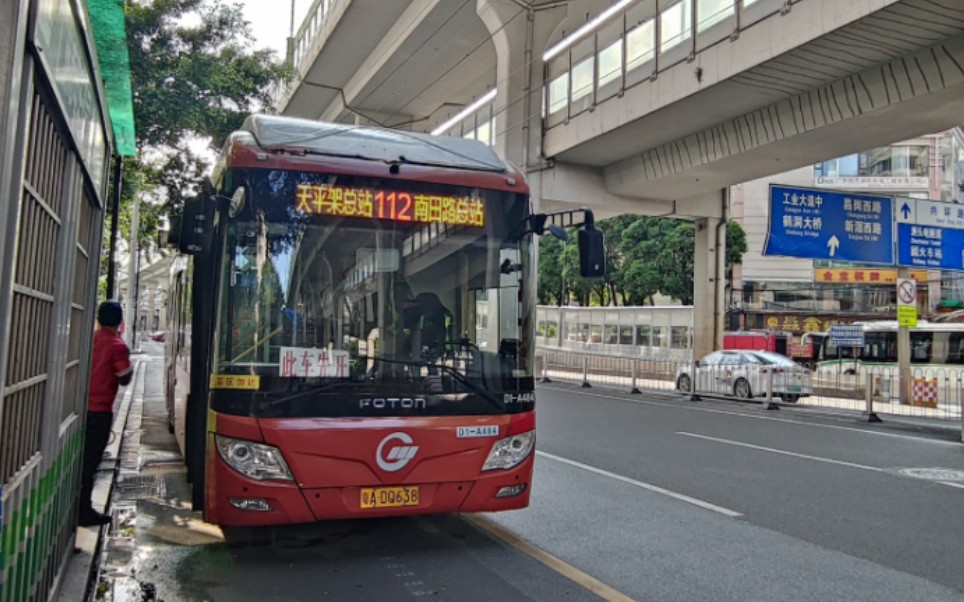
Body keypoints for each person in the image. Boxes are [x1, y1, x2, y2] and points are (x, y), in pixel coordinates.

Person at [79, 300, 132, 526]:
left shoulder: (87, 338)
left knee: (78, 462)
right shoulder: (117, 345)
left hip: (78, 409)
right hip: (99, 412)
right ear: (120, 321)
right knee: (89, 464)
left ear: (98, 318)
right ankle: (84, 512)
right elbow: (124, 378)